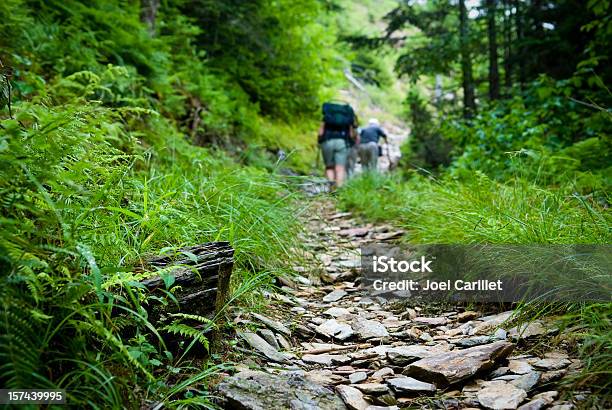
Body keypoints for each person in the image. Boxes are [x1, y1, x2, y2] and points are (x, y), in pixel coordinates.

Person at [318, 102, 358, 187]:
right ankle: (339, 188)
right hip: (342, 143)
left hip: (327, 142)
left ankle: (331, 188)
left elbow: (321, 132)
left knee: (329, 167)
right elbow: (351, 134)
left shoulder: (327, 116)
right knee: (340, 168)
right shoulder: (347, 118)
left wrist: (319, 141)